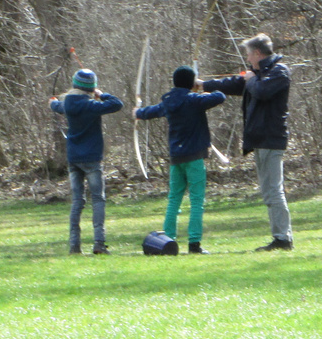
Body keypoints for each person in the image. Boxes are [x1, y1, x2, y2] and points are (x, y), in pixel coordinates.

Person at [203, 34, 293, 251]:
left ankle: (283, 239)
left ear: (258, 54)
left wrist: (251, 79)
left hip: (271, 138)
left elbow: (261, 91)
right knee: (269, 190)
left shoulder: (279, 71)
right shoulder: (257, 73)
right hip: (261, 140)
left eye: (249, 54)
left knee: (273, 190)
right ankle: (280, 237)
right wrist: (202, 84)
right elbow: (234, 82)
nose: (247, 58)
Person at [134, 65, 225, 254]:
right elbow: (220, 96)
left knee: (174, 200)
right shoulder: (193, 100)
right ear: (191, 83)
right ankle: (194, 244)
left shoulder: (169, 101)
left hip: (176, 157)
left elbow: (151, 111)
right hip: (194, 158)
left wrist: (137, 112)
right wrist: (203, 86)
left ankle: (166, 242)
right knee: (197, 200)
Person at [49, 69, 124, 254]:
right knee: (98, 199)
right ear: (90, 88)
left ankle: (74, 245)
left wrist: (52, 103)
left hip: (73, 158)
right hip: (91, 158)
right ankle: (99, 243)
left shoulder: (67, 104)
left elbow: (56, 106)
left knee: (77, 201)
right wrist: (101, 94)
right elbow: (117, 104)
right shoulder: (91, 105)